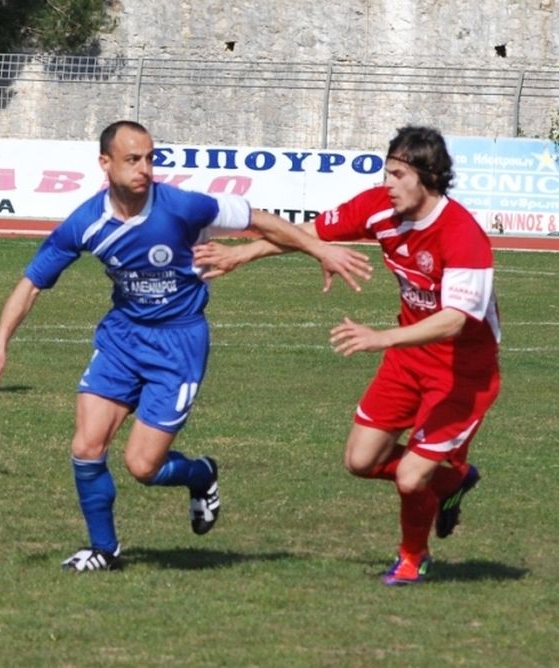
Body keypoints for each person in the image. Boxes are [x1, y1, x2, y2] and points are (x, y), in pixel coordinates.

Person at [0, 120, 373, 571]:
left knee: (143, 467)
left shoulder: (182, 207)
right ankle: (104, 550)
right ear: (105, 164)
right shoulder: (87, 223)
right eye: (132, 160)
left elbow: (258, 219)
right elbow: (32, 282)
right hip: (122, 338)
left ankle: (201, 473)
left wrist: (318, 249)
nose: (145, 168)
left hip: (178, 344)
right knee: (87, 448)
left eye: (150, 158)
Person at [195, 125, 500, 586]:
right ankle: (450, 481)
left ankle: (412, 558)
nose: (387, 183)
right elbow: (307, 232)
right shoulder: (378, 208)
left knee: (410, 477)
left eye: (398, 174)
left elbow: (456, 320)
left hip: (461, 373)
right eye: (386, 172)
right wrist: (243, 255)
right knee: (361, 461)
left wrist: (381, 339)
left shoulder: (463, 234)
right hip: (407, 361)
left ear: (429, 175)